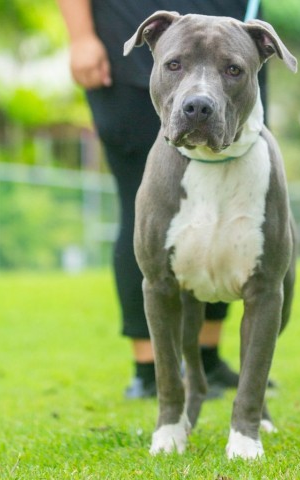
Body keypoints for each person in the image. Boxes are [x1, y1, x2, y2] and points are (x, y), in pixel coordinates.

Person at [57, 0, 267, 398]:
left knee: (231, 212)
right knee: (144, 210)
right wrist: (82, 36)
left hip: (236, 44)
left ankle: (205, 358)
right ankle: (150, 368)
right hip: (131, 48)